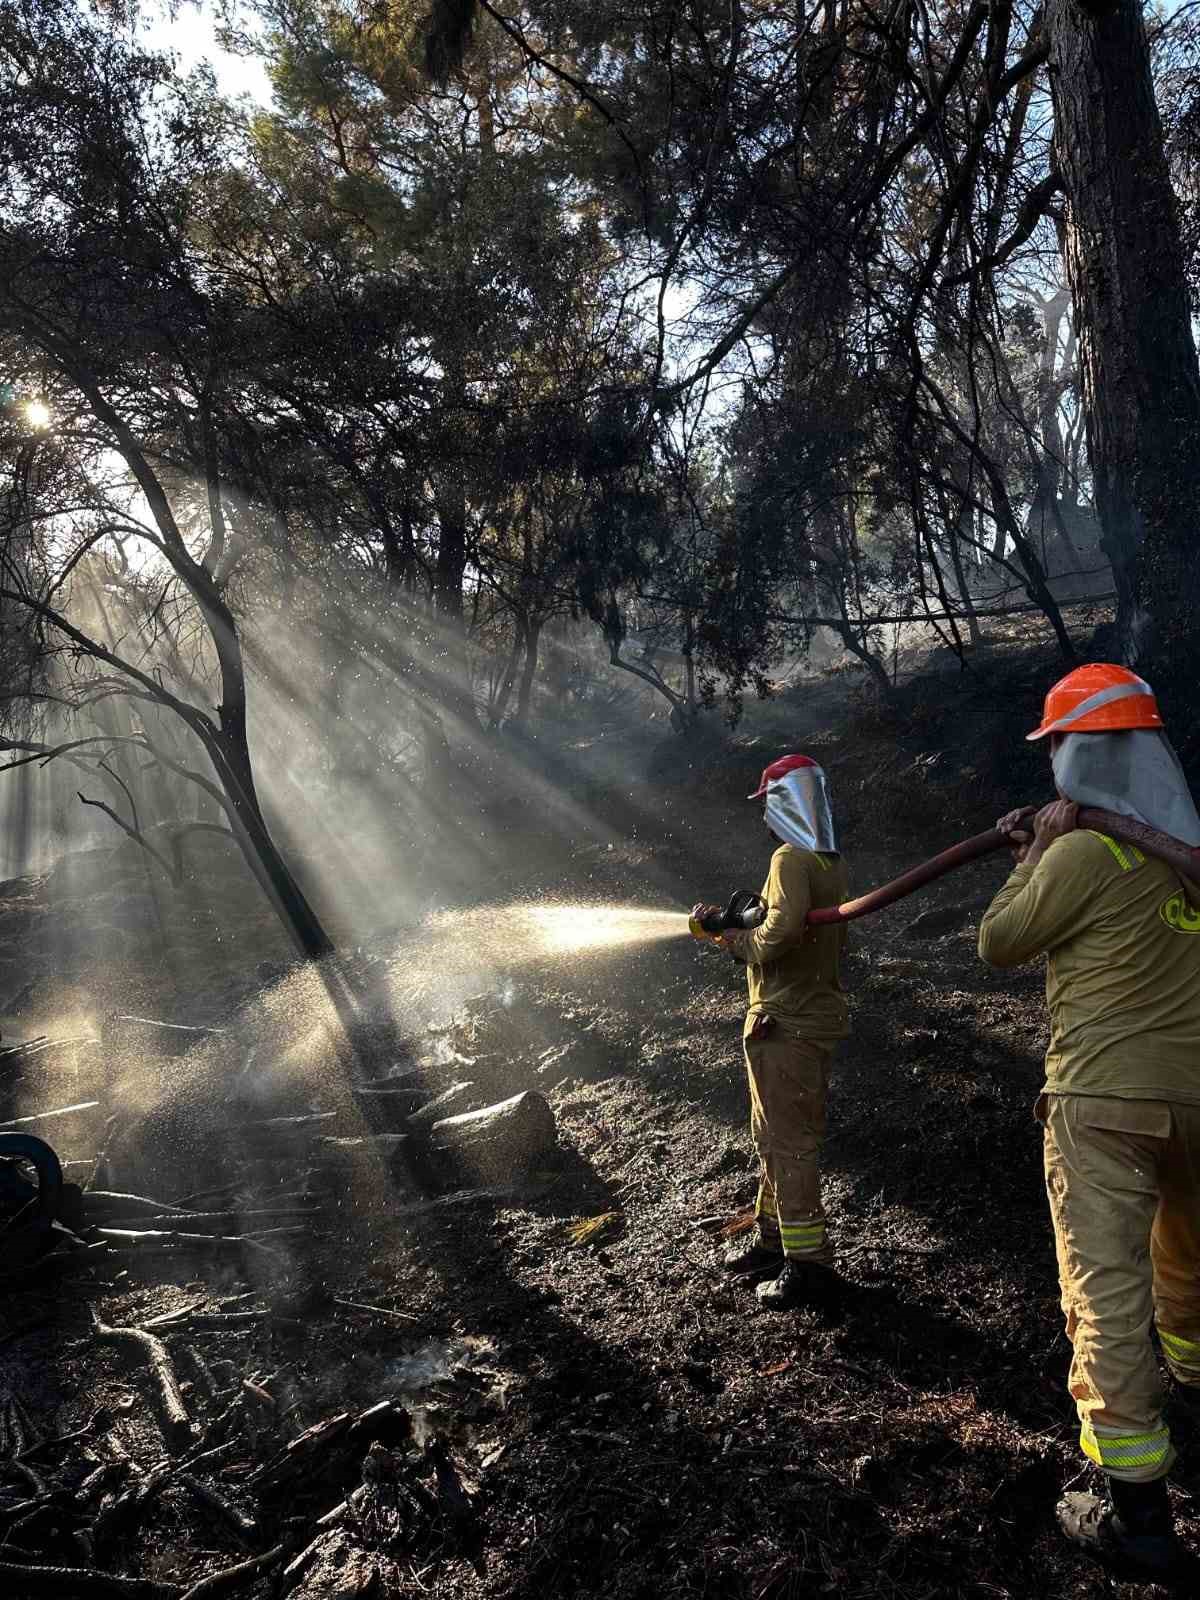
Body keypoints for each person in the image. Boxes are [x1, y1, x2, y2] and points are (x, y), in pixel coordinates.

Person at [978, 662, 1200, 1579]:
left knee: (1104, 1296)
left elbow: (998, 942)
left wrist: (1032, 854)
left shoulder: (1082, 853)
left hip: (1101, 1102)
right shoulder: (1182, 853)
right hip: (1195, 1099)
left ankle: (1137, 1518)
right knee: (1188, 1262)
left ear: (1084, 751)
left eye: (1062, 741)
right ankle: (1193, 1392)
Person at [693, 754, 850, 1310]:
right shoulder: (825, 860)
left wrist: (734, 944)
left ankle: (808, 1265)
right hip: (799, 1018)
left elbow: (780, 929)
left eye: (769, 806)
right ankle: (771, 1237)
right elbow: (784, 920)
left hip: (787, 1021)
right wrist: (734, 923)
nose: (764, 819)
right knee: (773, 1138)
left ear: (787, 803)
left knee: (788, 1144)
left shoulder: (789, 857)